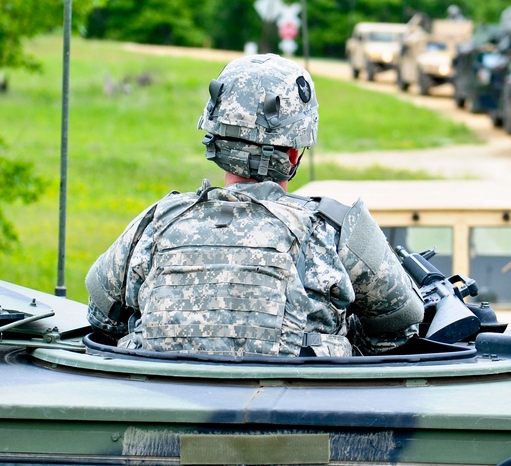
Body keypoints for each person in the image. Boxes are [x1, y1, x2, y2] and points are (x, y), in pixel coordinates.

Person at [85, 54, 425, 358]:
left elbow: (102, 321)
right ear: (294, 152)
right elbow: (400, 329)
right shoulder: (336, 230)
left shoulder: (154, 224)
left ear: (214, 139)